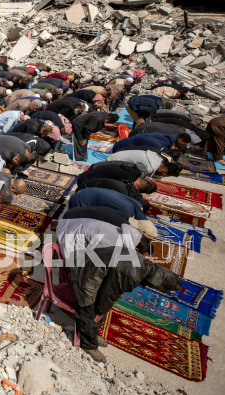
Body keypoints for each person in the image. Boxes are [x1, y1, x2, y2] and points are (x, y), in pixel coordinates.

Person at [57, 208, 179, 362]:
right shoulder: (133, 272)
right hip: (85, 270)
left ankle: (92, 335)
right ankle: (88, 344)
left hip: (90, 265)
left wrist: (102, 309)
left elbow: (110, 290)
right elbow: (109, 293)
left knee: (100, 308)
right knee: (89, 310)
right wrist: (100, 311)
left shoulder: (139, 263)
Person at [106, 149, 182, 177]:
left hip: (116, 154)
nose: (163, 176)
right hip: (110, 162)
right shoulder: (149, 168)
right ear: (164, 171)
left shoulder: (157, 157)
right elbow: (133, 179)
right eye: (165, 175)